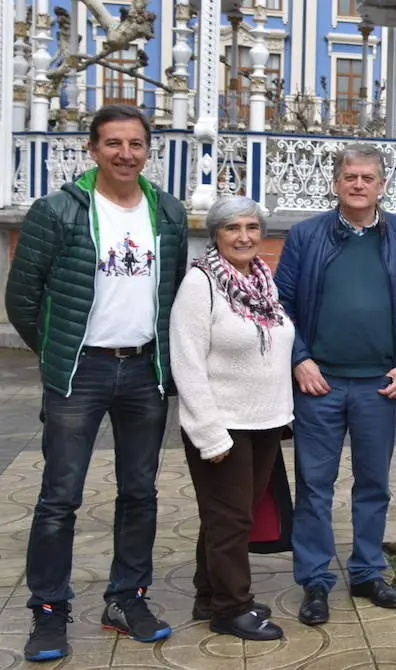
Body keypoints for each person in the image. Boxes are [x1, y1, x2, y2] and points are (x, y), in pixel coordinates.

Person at [4, 104, 189, 662]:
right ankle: (49, 610)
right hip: (79, 371)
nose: (125, 154)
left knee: (141, 493)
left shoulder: (169, 214)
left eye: (135, 144)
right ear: (93, 148)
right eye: (113, 143)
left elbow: (175, 295)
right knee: (60, 496)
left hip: (143, 371)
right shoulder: (59, 210)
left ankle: (126, 598)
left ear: (148, 150)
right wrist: (59, 351)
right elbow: (21, 298)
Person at [274, 143, 396, 626]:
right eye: (351, 177)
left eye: (368, 177)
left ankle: (367, 572)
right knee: (315, 486)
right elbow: (281, 306)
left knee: (373, 485)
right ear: (336, 182)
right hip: (318, 383)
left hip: (379, 386)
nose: (359, 184)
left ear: (382, 185)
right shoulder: (306, 236)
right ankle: (316, 582)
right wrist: (299, 359)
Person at [170, 196, 294, 641]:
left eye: (251, 227)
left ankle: (210, 595)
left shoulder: (260, 279)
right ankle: (232, 609)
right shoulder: (201, 284)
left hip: (263, 422)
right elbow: (186, 362)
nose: (244, 236)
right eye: (232, 228)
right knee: (231, 520)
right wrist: (208, 432)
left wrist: (282, 413)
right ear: (215, 235)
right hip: (223, 423)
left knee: (228, 515)